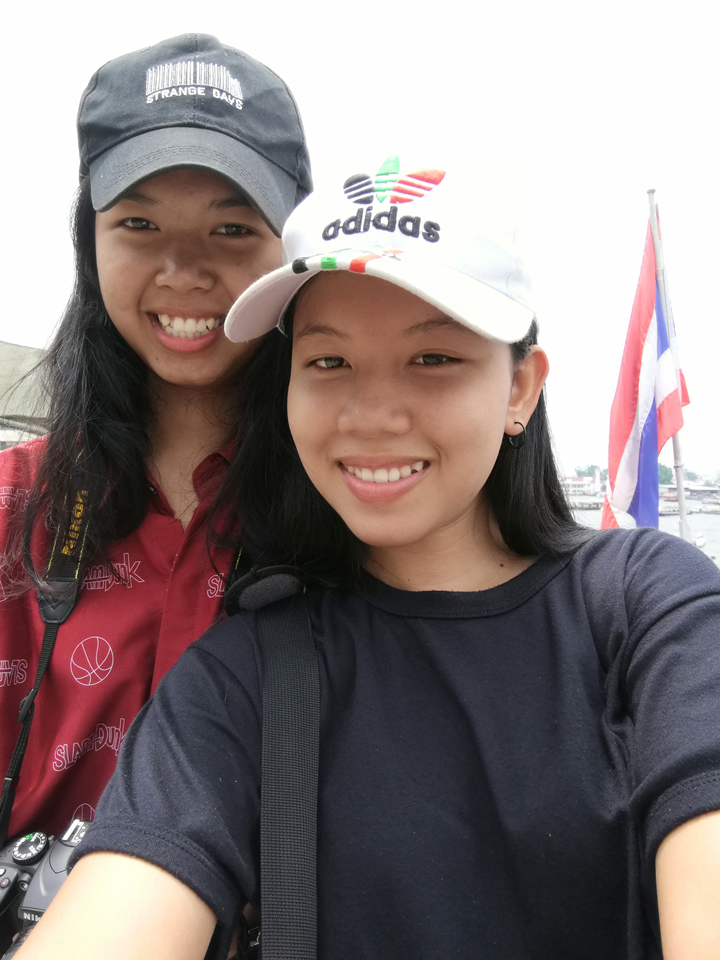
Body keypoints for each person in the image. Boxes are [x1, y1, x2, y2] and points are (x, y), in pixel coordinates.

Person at [17, 158, 720, 960]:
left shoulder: (650, 612)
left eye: (434, 359)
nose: (372, 415)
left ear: (521, 388)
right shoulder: (239, 678)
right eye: (328, 361)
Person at [0, 33, 311, 840]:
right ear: (89, 243)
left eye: (232, 229)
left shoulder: (349, 512)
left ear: (294, 253)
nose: (183, 272)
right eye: (139, 223)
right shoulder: (11, 506)